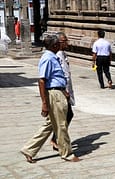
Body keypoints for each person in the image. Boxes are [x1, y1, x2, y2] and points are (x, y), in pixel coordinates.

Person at [20, 34, 80, 163]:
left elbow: (56, 78)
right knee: (61, 125)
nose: (61, 45)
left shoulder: (54, 57)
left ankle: (29, 149)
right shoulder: (48, 58)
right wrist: (44, 103)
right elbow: (42, 81)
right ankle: (66, 153)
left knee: (50, 125)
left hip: (59, 92)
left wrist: (64, 91)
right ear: (54, 45)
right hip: (54, 95)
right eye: (59, 43)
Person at [50, 32, 75, 151]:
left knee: (64, 116)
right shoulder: (57, 55)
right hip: (61, 90)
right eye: (65, 40)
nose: (67, 42)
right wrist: (64, 90)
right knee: (66, 115)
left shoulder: (63, 54)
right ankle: (56, 140)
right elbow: (61, 75)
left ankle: (56, 139)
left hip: (66, 89)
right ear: (59, 42)